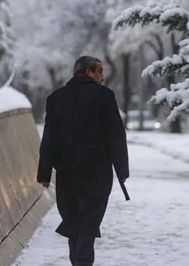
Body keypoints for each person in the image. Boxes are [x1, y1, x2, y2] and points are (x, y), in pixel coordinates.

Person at [37, 55, 129, 266]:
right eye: (100, 71)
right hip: (97, 172)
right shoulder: (104, 96)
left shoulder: (56, 98)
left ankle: (77, 260)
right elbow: (116, 134)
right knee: (89, 218)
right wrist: (122, 169)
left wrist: (44, 173)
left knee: (73, 219)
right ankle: (83, 262)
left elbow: (48, 138)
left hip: (67, 172)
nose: (103, 77)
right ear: (89, 72)